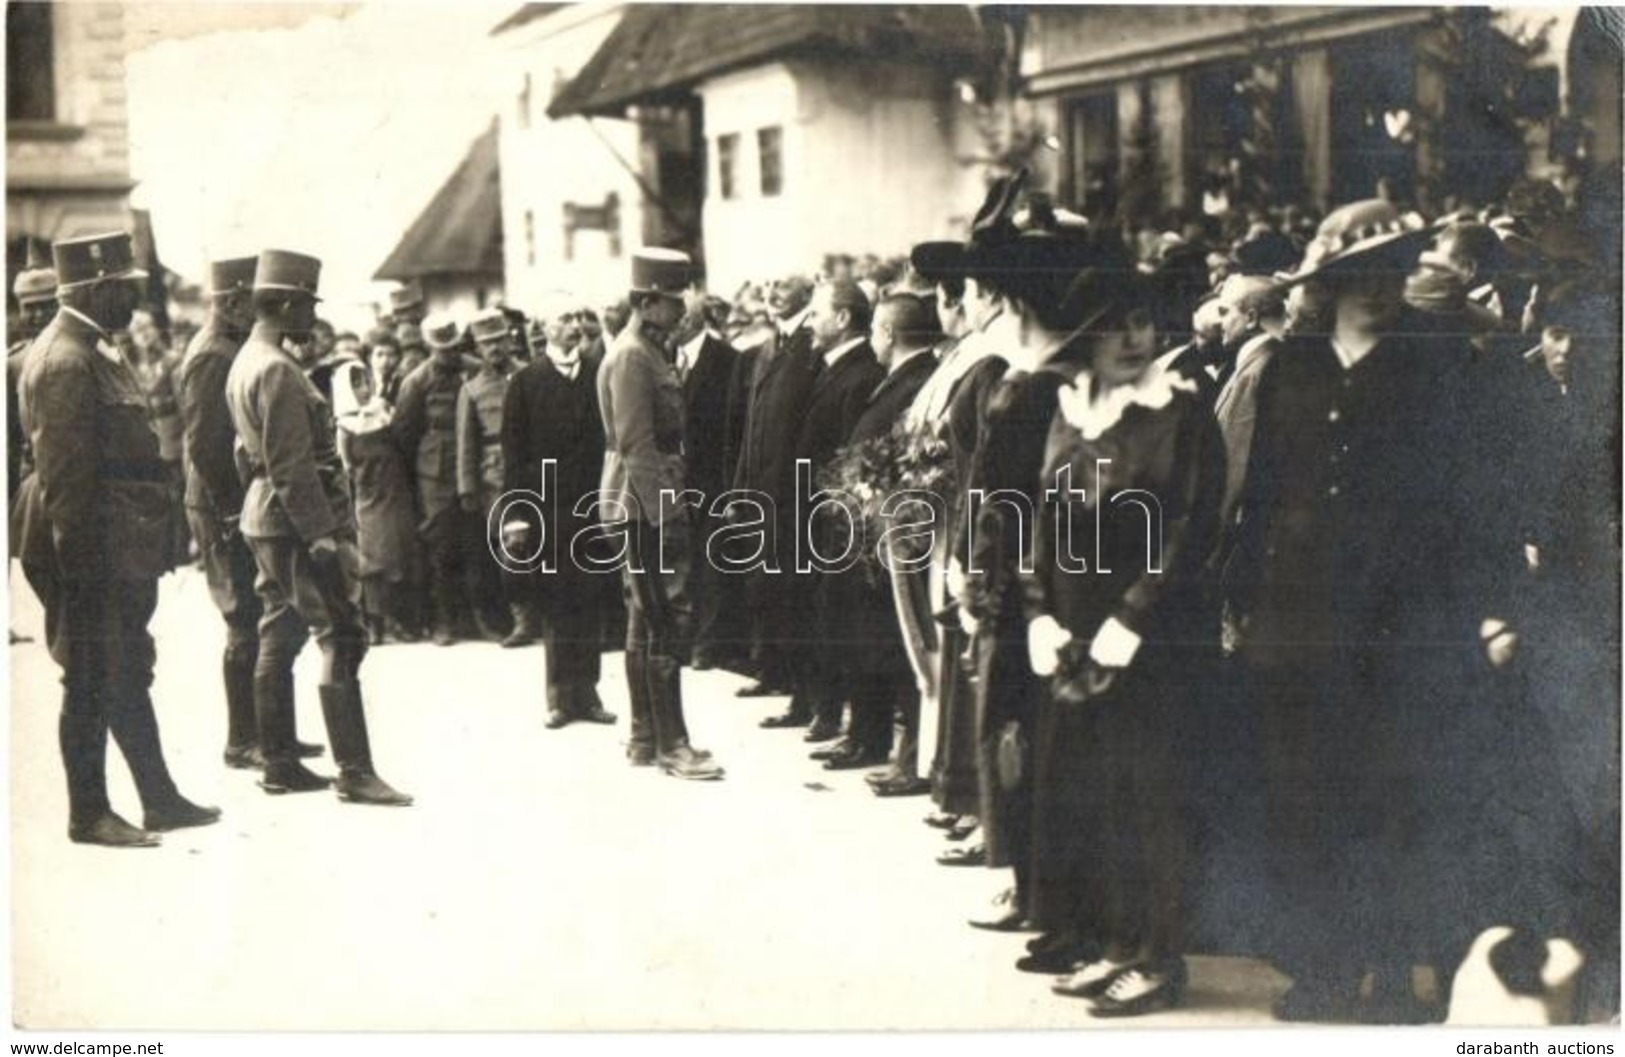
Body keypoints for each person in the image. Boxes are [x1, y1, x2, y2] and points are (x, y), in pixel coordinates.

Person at [1225, 200, 1520, 1022]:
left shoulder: (1436, 364)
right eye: (1365, 274)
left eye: (1393, 272)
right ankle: (1322, 966)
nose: (1382, 289)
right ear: (1333, 282)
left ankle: (1393, 973)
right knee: (1304, 792)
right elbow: (1262, 491)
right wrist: (1243, 597)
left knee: (1392, 795)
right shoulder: (1290, 363)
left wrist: (1489, 609)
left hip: (1402, 617)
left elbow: (1469, 501)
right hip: (1298, 612)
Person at [1027, 266, 1225, 1017]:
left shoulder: (1179, 413)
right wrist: (1039, 613)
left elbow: (1190, 526)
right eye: (1117, 323)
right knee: (1091, 787)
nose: (1134, 338)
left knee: (1150, 791)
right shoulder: (1067, 410)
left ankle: (1155, 956)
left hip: (1152, 636)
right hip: (1075, 632)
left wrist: (1132, 618)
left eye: (1143, 320)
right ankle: (1112, 942)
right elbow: (1037, 521)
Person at [13, 231, 219, 845]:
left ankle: (158, 798)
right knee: (89, 669)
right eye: (126, 288)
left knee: (124, 664)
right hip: (84, 546)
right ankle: (88, 813)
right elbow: (66, 485)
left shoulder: (91, 346)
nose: (135, 298)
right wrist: (84, 578)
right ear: (98, 289)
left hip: (112, 539)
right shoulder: (65, 360)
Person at [225, 248, 411, 807]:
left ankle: (279, 762)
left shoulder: (248, 360)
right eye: (306, 303)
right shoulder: (278, 370)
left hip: (266, 518)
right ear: (282, 302)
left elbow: (246, 454)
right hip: (296, 523)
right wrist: (321, 535)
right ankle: (355, 772)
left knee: (280, 631)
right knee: (342, 633)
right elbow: (290, 464)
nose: (313, 314)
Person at [179, 255, 325, 768]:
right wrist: (227, 511)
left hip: (234, 498)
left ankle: (269, 733)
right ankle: (245, 739)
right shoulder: (213, 354)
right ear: (234, 301)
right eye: (249, 300)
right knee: (245, 616)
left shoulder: (229, 349)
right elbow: (204, 444)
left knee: (262, 617)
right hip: (223, 500)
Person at [597, 248, 723, 780]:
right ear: (647, 303)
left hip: (642, 498)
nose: (682, 311)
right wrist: (665, 514)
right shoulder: (633, 356)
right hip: (643, 502)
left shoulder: (648, 349)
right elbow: (636, 443)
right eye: (673, 302)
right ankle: (673, 745)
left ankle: (646, 736)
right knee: (663, 618)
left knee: (643, 618)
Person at [824, 292, 939, 781]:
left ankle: (905, 754)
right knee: (873, 639)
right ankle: (871, 739)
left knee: (896, 644)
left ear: (889, 333)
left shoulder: (914, 382)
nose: (871, 339)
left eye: (875, 329)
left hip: (891, 534)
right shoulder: (901, 379)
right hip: (872, 532)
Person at [500, 301, 615, 728]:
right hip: (546, 509)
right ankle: (559, 696)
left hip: (590, 506)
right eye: (563, 318)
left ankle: (588, 693)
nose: (573, 326)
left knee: (589, 598)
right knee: (554, 601)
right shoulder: (526, 382)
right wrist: (516, 515)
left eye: (577, 318)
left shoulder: (597, 374)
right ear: (543, 326)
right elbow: (513, 454)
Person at [794, 279, 885, 758]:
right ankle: (838, 719)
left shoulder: (860, 374)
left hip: (841, 521)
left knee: (850, 626)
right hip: (823, 519)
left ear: (844, 318)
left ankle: (858, 730)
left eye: (816, 313)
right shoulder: (832, 369)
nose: (810, 322)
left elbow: (850, 457)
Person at [733, 274, 818, 704]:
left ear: (808, 294)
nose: (772, 292)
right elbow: (752, 423)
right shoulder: (768, 345)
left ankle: (797, 684)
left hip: (791, 487)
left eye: (783, 286)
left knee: (790, 585)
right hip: (760, 487)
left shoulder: (811, 342)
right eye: (769, 287)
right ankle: (770, 669)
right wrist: (739, 485)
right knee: (762, 581)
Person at [672, 295, 746, 670]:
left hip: (712, 477)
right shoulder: (665, 357)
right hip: (677, 478)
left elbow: (733, 424)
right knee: (682, 561)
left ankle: (709, 643)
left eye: (684, 316)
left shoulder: (727, 359)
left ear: (698, 319)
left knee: (711, 560)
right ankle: (686, 638)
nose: (678, 322)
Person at [394, 312, 477, 644]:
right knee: (441, 548)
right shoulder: (416, 382)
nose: (449, 354)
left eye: (452, 347)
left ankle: (478, 617)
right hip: (435, 475)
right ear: (429, 347)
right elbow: (404, 434)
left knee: (475, 541)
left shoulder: (473, 369)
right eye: (441, 349)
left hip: (471, 465)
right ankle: (443, 621)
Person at [333, 360, 420, 645]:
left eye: (367, 381)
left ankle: (400, 619)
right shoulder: (344, 427)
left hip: (395, 492)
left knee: (401, 554)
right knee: (373, 560)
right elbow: (345, 469)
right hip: (368, 498)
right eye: (357, 384)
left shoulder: (384, 412)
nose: (364, 388)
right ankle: (375, 622)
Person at [457, 308, 521, 641]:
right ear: (477, 349)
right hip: (494, 477)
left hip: (530, 468)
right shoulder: (472, 390)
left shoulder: (528, 375)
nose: (494, 349)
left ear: (510, 341)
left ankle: (537, 612)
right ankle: (519, 616)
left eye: (499, 341)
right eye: (486, 344)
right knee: (505, 544)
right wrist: (467, 487)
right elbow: (467, 443)